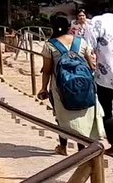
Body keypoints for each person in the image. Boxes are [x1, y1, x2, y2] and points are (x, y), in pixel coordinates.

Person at [39, 14, 104, 155]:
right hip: (84, 87)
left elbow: (47, 71)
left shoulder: (50, 45)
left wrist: (43, 88)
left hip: (60, 89)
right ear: (69, 26)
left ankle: (63, 147)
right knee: (82, 117)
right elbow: (92, 66)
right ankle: (82, 149)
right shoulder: (81, 42)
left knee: (61, 117)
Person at [86, 12, 113, 146]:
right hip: (104, 76)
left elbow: (88, 48)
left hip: (105, 76)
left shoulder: (97, 22)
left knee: (106, 111)